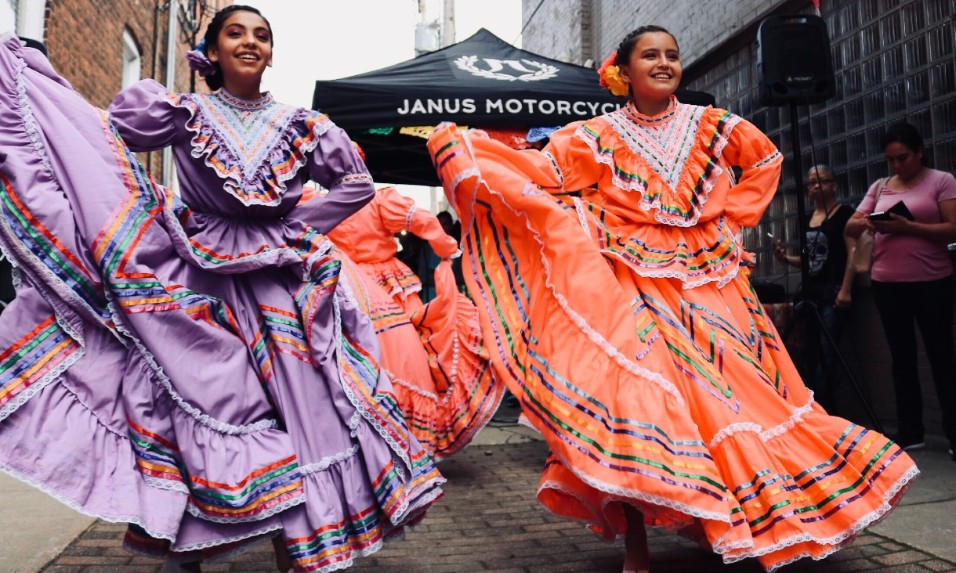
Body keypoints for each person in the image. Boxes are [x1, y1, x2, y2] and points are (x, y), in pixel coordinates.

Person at [427, 25, 917, 572]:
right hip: (635, 284)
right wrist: (474, 151)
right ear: (625, 71)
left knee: (739, 399)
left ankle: (748, 520)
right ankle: (638, 545)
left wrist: (731, 221)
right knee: (644, 400)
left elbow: (765, 161)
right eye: (651, 56)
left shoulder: (712, 126)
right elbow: (546, 174)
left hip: (714, 285)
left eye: (672, 55)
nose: (665, 63)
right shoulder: (594, 136)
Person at [0, 6, 443, 573]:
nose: (250, 42)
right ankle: (185, 546)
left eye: (262, 35)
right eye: (235, 33)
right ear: (211, 53)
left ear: (272, 54)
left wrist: (294, 230)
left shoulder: (304, 125)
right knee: (192, 400)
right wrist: (41, 96)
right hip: (196, 280)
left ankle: (302, 548)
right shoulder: (184, 114)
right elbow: (104, 138)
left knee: (303, 416)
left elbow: (355, 184)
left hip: (279, 290)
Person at [323, 184, 503, 460]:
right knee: (416, 350)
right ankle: (409, 434)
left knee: (361, 356)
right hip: (387, 283)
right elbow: (422, 220)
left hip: (349, 283)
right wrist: (447, 247)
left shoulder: (324, 204)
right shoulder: (378, 200)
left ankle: (373, 437)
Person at [845, 122, 956, 460]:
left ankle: (953, 433)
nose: (897, 166)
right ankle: (911, 431)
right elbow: (850, 224)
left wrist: (909, 227)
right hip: (887, 283)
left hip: (932, 281)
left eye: (903, 158)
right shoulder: (881, 186)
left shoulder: (941, 181)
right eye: (891, 160)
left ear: (919, 152)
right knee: (901, 358)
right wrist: (868, 222)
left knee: (941, 356)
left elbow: (952, 228)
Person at [772, 164, 856, 409]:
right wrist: (785, 258)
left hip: (832, 289)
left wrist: (846, 289)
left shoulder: (844, 214)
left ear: (834, 185)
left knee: (828, 350)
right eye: (811, 183)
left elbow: (852, 252)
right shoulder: (808, 218)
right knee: (810, 351)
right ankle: (811, 405)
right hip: (810, 291)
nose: (816, 186)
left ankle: (823, 407)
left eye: (822, 181)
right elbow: (810, 260)